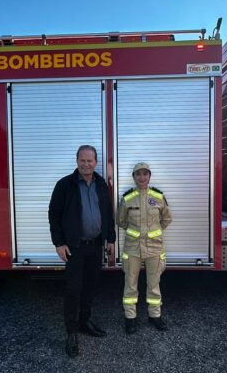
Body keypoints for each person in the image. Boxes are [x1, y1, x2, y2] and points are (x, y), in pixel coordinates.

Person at [48, 145, 116, 358]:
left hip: (95, 246)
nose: (86, 164)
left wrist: (111, 238)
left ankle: (85, 321)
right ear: (77, 161)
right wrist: (59, 243)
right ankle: (71, 333)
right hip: (75, 248)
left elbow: (107, 213)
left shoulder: (101, 184)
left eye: (90, 161)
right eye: (83, 160)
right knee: (73, 290)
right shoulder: (65, 185)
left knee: (90, 287)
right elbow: (54, 214)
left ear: (96, 162)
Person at [117, 162, 172, 334]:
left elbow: (166, 219)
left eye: (145, 174)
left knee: (154, 285)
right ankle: (130, 318)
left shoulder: (158, 197)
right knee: (130, 285)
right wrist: (137, 233)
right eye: (138, 174)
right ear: (133, 177)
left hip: (154, 249)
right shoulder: (127, 198)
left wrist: (153, 233)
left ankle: (155, 316)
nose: (142, 177)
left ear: (149, 176)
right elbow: (120, 220)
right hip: (132, 248)